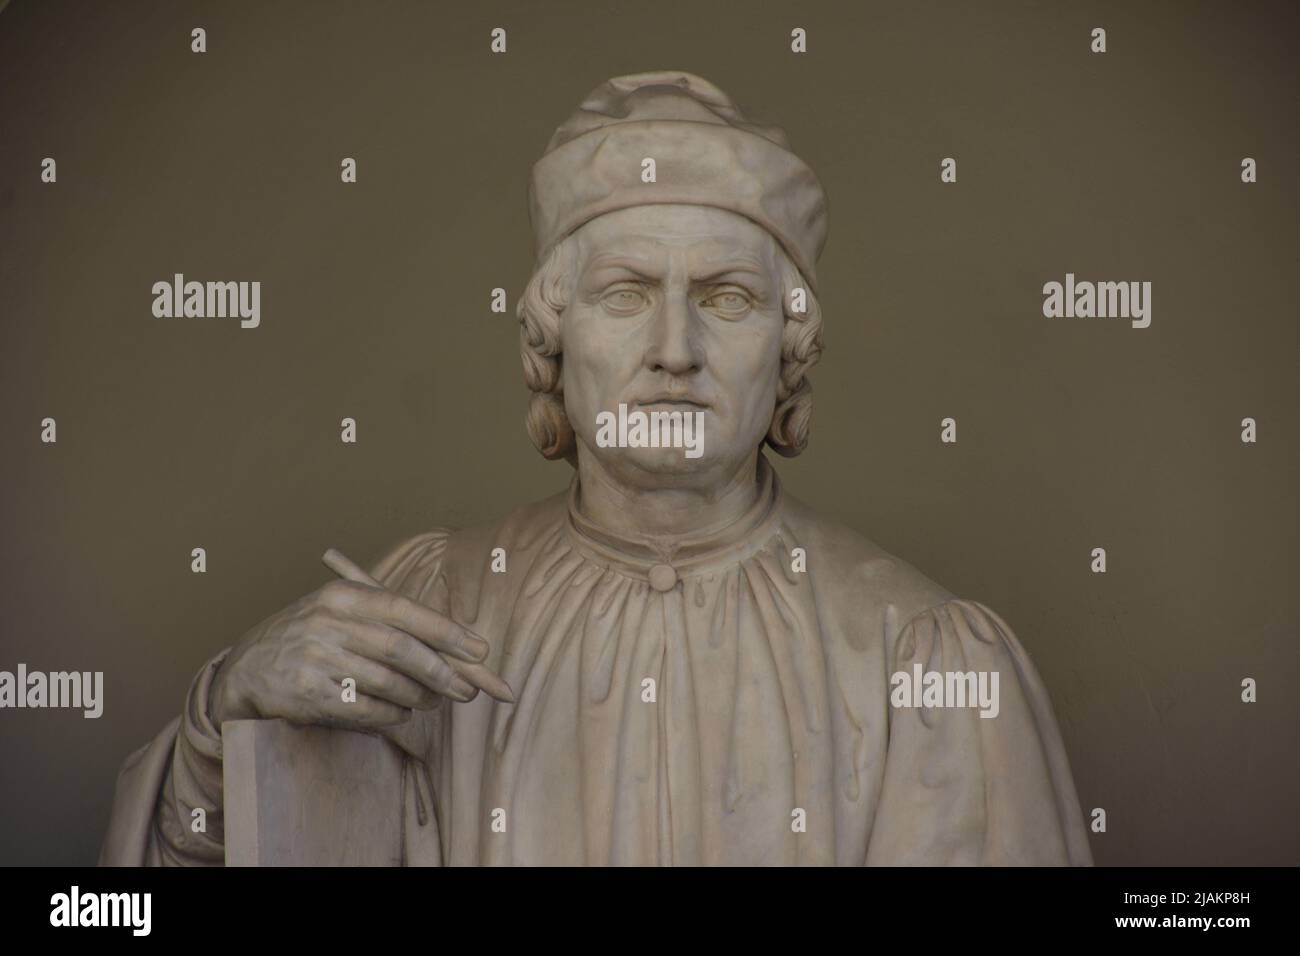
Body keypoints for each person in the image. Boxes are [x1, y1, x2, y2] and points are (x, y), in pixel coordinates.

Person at [101, 70, 1092, 866]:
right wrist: (224, 711)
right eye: (624, 294)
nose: (674, 347)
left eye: (728, 297)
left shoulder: (924, 659)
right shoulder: (425, 607)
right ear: (553, 343)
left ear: (788, 350)